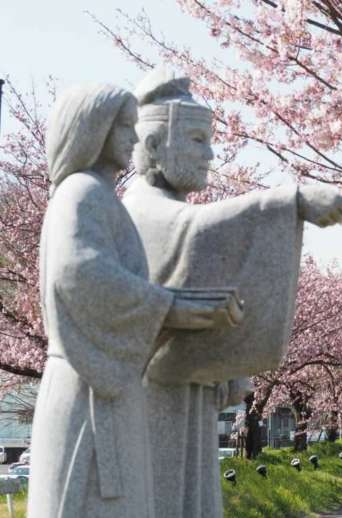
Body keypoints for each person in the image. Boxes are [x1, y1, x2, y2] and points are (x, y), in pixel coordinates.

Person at [123, 68, 342, 518]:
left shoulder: (165, 210)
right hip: (150, 395)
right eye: (196, 140)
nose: (210, 154)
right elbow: (193, 232)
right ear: (151, 145)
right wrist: (294, 201)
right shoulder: (138, 210)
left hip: (181, 392)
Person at [27, 83, 240, 518]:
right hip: (88, 386)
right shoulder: (82, 192)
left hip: (104, 386)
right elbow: (80, 274)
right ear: (93, 130)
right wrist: (169, 306)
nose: (132, 136)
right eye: (123, 126)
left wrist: (170, 308)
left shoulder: (98, 196)